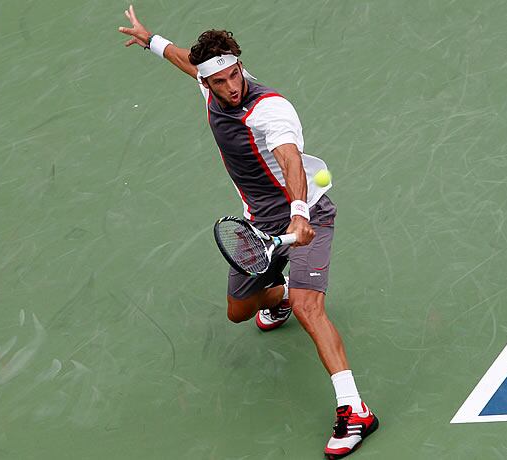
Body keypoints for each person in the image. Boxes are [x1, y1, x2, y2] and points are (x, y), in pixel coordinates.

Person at [118, 6, 378, 458]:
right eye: (219, 81)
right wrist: (151, 40)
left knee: (307, 306)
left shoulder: (270, 110)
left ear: (241, 64)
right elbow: (186, 61)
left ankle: (355, 411)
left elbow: (291, 159)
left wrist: (299, 213)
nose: (231, 86)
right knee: (238, 313)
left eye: (235, 75)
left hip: (307, 216)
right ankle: (278, 294)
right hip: (258, 225)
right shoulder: (208, 84)